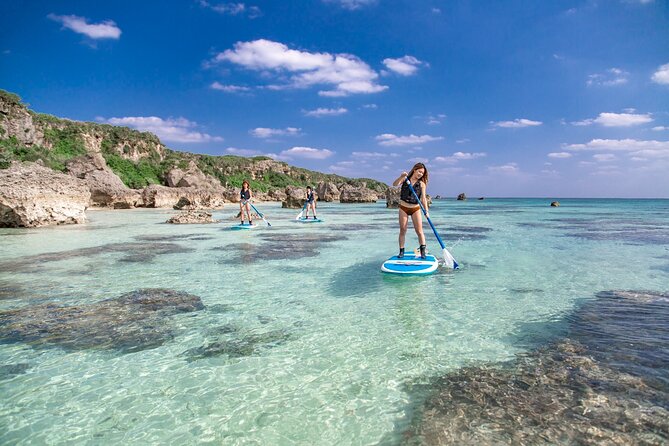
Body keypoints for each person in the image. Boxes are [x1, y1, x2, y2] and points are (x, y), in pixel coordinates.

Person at [392, 163, 429, 259]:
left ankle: (423, 252)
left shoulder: (422, 184)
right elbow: (395, 184)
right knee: (403, 230)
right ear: (414, 170)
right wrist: (401, 176)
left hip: (415, 208)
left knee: (419, 231)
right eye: (419, 171)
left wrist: (426, 211)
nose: (421, 174)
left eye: (422, 173)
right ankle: (401, 251)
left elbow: (423, 198)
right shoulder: (405, 179)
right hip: (403, 208)